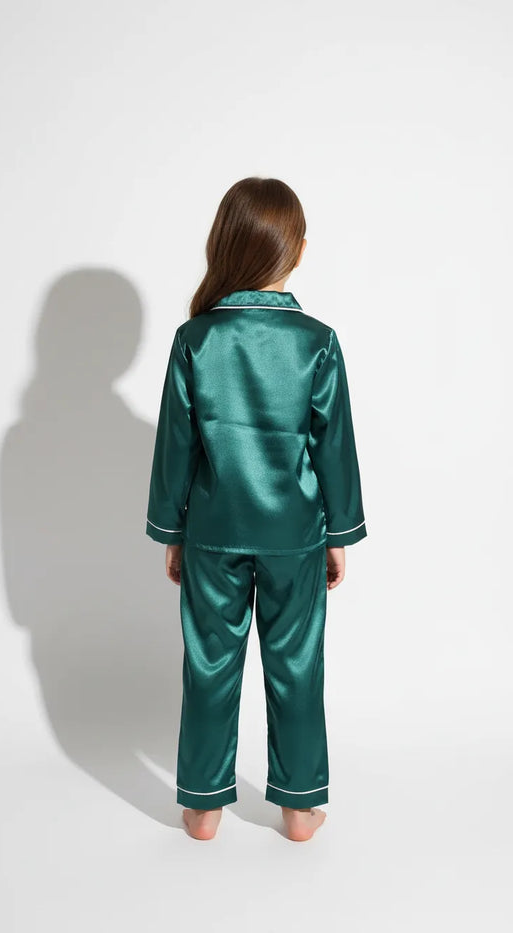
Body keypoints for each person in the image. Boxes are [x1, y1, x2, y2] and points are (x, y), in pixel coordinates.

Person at [145, 176, 367, 842]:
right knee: (296, 665)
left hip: (212, 532)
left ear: (225, 245)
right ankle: (299, 809)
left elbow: (175, 447)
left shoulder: (195, 339)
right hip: (294, 534)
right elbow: (334, 447)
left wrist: (172, 532)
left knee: (208, 666)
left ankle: (203, 809)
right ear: (295, 249)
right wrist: (338, 533)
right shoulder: (317, 340)